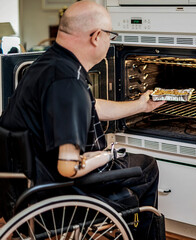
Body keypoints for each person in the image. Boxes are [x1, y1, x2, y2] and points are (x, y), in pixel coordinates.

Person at [0, 1, 165, 239]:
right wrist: (109, 154)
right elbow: (69, 167)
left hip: (21, 191)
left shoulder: (48, 65)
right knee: (146, 168)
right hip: (53, 197)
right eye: (111, 35)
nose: (111, 41)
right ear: (97, 36)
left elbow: (87, 107)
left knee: (135, 165)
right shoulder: (69, 84)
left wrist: (141, 105)